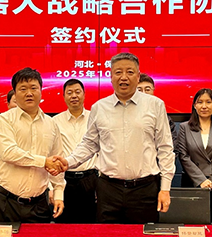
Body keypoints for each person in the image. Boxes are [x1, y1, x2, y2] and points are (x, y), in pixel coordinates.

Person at [55, 52, 175, 224]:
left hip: (145, 189)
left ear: (138, 76)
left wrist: (165, 188)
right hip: (108, 190)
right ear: (111, 77)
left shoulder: (155, 105)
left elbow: (165, 148)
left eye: (129, 72)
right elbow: (89, 144)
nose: (123, 77)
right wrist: (68, 162)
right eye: (118, 72)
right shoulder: (99, 108)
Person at [0, 68, 66, 223]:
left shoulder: (52, 124)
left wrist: (58, 194)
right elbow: (9, 153)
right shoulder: (3, 120)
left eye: (33, 88)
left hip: (39, 204)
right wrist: (44, 161)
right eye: (23, 89)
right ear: (15, 94)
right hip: (4, 202)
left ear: (41, 91)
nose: (29, 93)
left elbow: (57, 161)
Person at [177, 88, 212, 224]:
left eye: (208, 102)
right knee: (190, 225)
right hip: (191, 183)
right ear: (194, 106)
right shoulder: (184, 128)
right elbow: (183, 156)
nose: (204, 106)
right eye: (200, 102)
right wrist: (201, 180)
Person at [52, 79, 98, 223]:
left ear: (84, 94)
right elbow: (50, 153)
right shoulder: (55, 121)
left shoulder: (95, 118)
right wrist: (51, 187)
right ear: (64, 96)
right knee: (64, 224)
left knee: (92, 224)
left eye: (77, 92)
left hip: (91, 179)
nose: (74, 96)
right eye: (69, 93)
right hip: (65, 179)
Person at [137, 73, 178, 149]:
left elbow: (171, 144)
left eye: (147, 90)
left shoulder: (163, 117)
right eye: (139, 90)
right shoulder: (126, 114)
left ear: (153, 91)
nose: (143, 93)